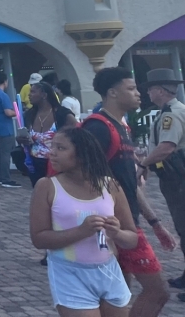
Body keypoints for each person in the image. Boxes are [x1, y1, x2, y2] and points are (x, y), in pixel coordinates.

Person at [83, 67, 169, 317]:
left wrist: (155, 222)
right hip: (113, 224)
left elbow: (128, 183)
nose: (138, 94)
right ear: (112, 93)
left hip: (128, 222)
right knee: (157, 291)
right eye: (130, 89)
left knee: (119, 294)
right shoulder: (98, 128)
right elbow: (85, 178)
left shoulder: (122, 127)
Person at [29, 127, 136, 316]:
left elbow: (132, 238)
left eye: (61, 148)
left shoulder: (110, 185)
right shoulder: (46, 186)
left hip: (109, 270)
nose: (52, 153)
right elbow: (39, 239)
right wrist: (81, 231)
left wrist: (117, 233)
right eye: (52, 147)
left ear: (82, 154)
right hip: (70, 273)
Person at [138, 68, 185, 293]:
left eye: (150, 88)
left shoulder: (170, 115)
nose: (147, 92)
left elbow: (166, 147)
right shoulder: (168, 112)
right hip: (175, 178)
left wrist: (143, 164)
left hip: (179, 178)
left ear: (161, 90)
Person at [17, 82, 78, 187]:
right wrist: (22, 140)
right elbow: (26, 134)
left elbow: (76, 136)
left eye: (33, 91)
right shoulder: (30, 115)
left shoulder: (62, 114)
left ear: (44, 95)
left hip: (57, 165)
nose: (29, 95)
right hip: (35, 164)